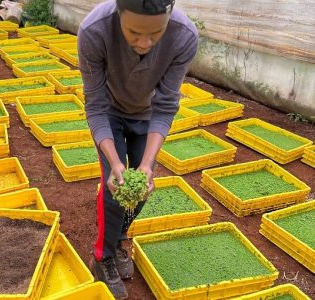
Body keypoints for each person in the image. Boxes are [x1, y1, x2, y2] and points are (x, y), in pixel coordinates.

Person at [78, 0, 198, 298]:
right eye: (134, 33)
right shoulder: (93, 31)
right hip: (110, 113)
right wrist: (114, 161)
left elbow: (167, 104)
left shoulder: (184, 36)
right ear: (118, 14)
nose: (144, 43)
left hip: (148, 115)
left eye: (155, 34)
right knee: (114, 189)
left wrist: (146, 164)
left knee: (142, 186)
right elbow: (95, 106)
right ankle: (103, 257)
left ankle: (119, 238)